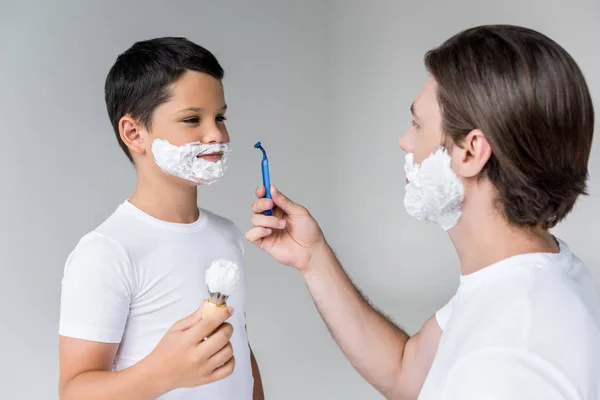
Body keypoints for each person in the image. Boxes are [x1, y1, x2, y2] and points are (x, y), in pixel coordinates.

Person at [247, 25, 600, 399]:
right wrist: (313, 258)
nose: (405, 141)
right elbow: (406, 371)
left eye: (418, 123)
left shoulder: (506, 355)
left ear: (470, 151)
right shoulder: (531, 273)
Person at [58, 37, 264, 400]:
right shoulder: (107, 252)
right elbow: (74, 391)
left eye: (220, 117)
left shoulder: (228, 235)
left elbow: (240, 351)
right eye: (192, 119)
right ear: (134, 133)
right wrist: (162, 373)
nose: (216, 133)